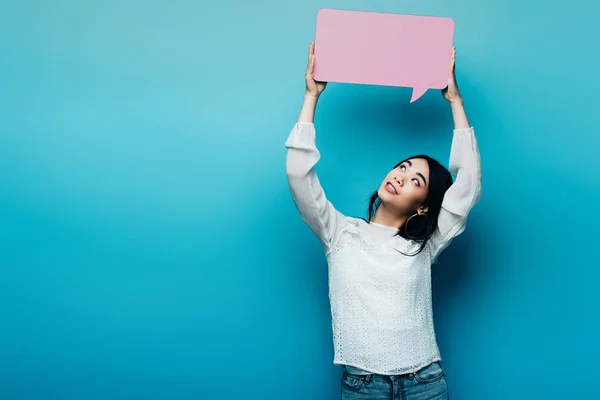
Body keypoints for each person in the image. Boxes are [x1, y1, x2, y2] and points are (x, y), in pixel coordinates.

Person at [285, 41, 482, 399]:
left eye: (415, 181)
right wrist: (311, 97)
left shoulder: (424, 244)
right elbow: (299, 174)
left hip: (426, 384)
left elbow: (468, 185)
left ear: (423, 206)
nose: (401, 176)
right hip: (363, 386)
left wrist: (455, 101)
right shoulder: (339, 232)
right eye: (403, 167)